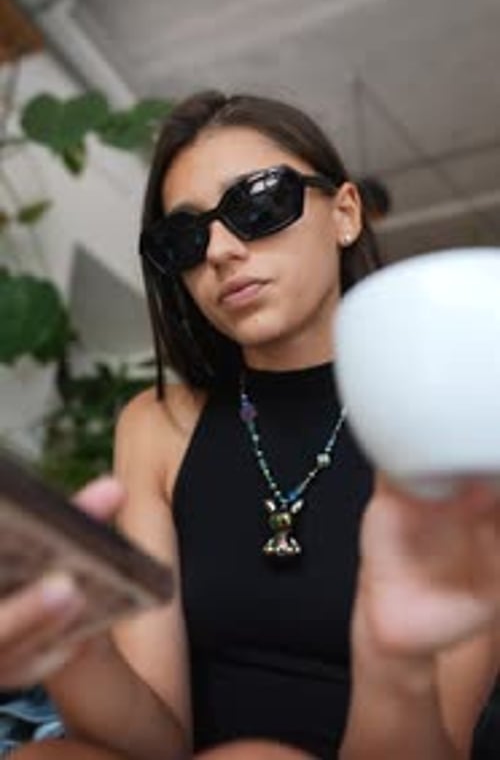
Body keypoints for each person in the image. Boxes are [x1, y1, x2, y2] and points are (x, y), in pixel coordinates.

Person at [2, 91, 499, 760]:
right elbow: (155, 741)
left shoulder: (459, 419)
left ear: (345, 213)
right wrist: (72, 645)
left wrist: (392, 660)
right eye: (184, 236)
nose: (221, 251)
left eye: (258, 203)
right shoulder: (155, 426)